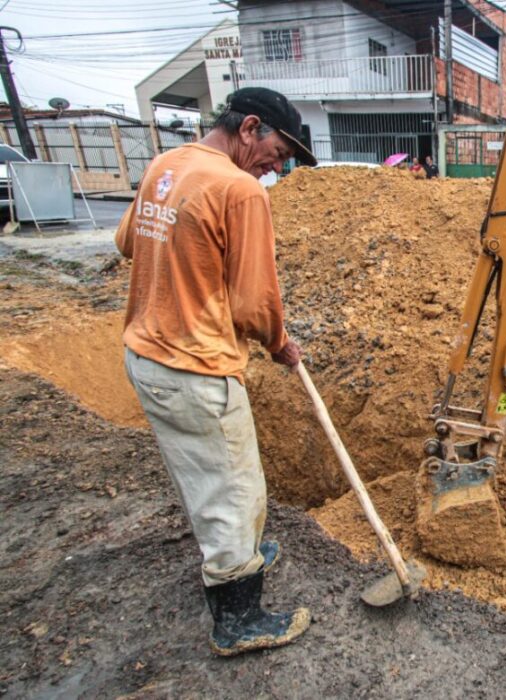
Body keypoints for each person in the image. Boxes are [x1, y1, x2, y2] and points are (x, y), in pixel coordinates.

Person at [115, 87, 318, 657]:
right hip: (195, 367)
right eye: (279, 151)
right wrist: (280, 344)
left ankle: (243, 557)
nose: (280, 166)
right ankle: (237, 616)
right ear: (249, 128)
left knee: (212, 475)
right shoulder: (240, 190)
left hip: (146, 355)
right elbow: (254, 304)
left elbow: (128, 241)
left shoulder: (167, 164)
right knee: (230, 489)